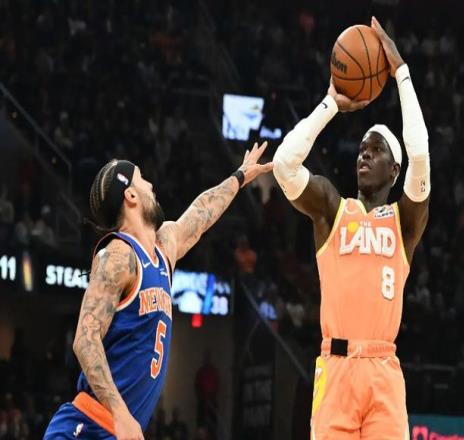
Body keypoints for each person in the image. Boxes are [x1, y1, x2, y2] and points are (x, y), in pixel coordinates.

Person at [44, 142, 272, 440]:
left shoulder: (163, 249)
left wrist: (239, 177)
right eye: (142, 179)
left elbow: (201, 212)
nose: (151, 185)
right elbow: (85, 340)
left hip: (119, 430)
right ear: (130, 195)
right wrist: (120, 413)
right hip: (88, 425)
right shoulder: (119, 255)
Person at [272, 17, 430, 439]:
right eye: (361, 149)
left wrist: (401, 73)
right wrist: (330, 104)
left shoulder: (404, 222)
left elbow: (421, 155)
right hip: (336, 369)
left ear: (394, 170)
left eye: (376, 150)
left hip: (383, 371)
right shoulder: (332, 210)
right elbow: (284, 165)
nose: (364, 155)